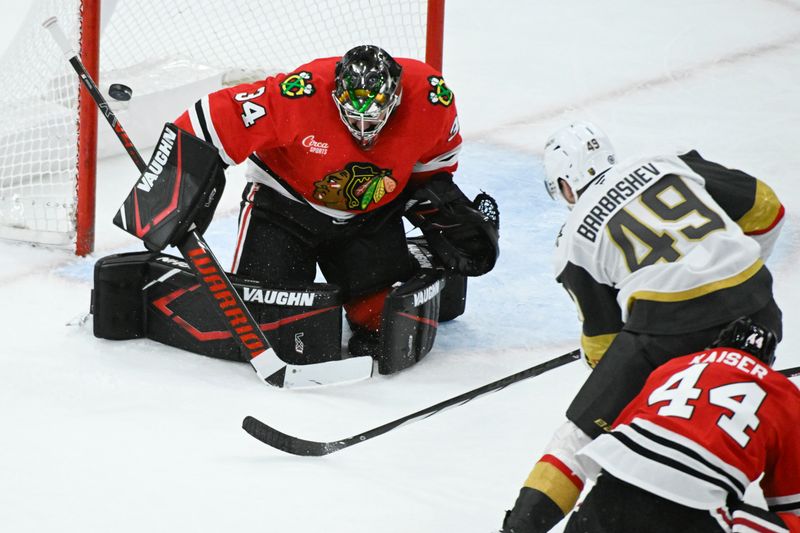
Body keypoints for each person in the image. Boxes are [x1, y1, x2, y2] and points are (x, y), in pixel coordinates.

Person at [500, 121, 785, 532]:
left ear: (564, 185)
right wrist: (735, 268)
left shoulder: (573, 238)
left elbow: (601, 347)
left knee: (576, 439)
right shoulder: (669, 162)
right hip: (759, 309)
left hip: (670, 331)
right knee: (721, 402)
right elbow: (767, 208)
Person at [169, 45, 499, 357]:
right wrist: (170, 188)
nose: (362, 129)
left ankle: (409, 258)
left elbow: (434, 167)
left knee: (387, 325)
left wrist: (439, 209)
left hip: (369, 217)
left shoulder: (430, 99)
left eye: (372, 119)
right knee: (269, 325)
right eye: (352, 117)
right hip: (285, 206)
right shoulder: (300, 95)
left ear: (395, 98)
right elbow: (209, 120)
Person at [565, 318, 800, 532]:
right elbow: (791, 503)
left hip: (608, 499)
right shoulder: (782, 391)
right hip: (689, 513)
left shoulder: (673, 366)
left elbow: (622, 434)